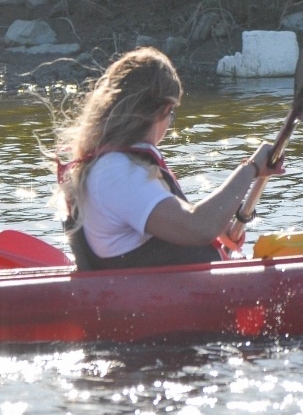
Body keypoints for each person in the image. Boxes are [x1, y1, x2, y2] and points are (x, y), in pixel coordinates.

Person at [53, 47, 283, 270]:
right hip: (154, 303)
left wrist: (218, 224)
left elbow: (188, 223)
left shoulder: (113, 166)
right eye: (171, 114)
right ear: (161, 110)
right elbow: (198, 226)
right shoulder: (116, 171)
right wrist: (250, 168)